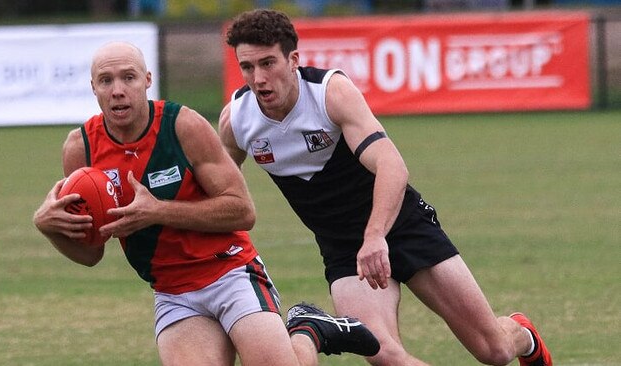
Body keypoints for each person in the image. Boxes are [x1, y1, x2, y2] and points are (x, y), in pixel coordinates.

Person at [219, 9, 552, 366]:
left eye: (268, 63)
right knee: (383, 355)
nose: (259, 78)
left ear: (293, 60)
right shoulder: (237, 121)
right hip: (345, 250)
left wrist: (376, 236)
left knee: (495, 351)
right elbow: (223, 193)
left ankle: (522, 333)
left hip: (402, 226)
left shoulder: (329, 93)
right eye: (248, 67)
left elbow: (392, 165)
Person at [32, 41, 379, 366]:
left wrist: (158, 211)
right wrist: (50, 228)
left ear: (147, 80)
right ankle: (307, 331)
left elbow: (243, 210)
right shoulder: (81, 150)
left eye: (128, 77)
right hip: (171, 291)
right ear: (93, 88)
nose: (117, 89)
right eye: (105, 80)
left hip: (229, 271)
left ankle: (308, 330)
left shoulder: (182, 125)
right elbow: (91, 254)